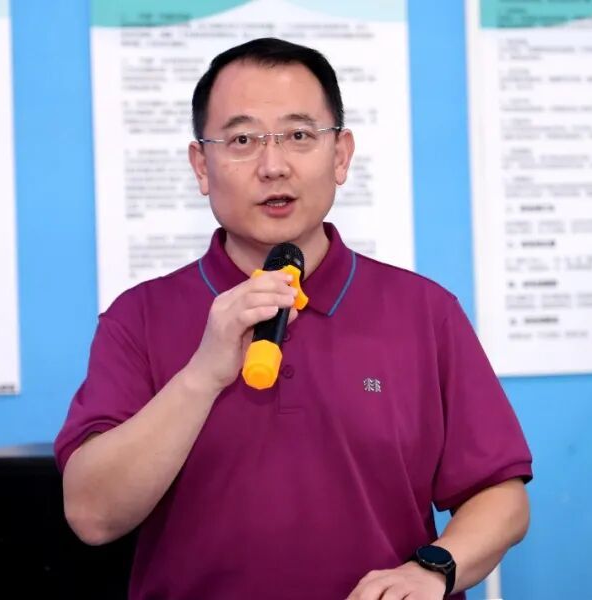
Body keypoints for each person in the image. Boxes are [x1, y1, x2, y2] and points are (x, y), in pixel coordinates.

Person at [55, 37, 532, 600]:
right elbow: (93, 515)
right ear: (201, 166)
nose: (273, 166)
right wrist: (202, 375)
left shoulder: (425, 312)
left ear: (341, 155)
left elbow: (501, 495)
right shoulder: (137, 318)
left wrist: (432, 570)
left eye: (299, 136)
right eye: (242, 140)